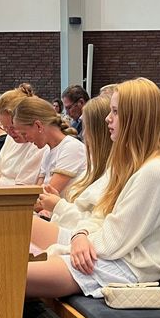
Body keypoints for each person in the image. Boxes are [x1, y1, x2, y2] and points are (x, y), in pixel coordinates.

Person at [26, 77, 160, 299]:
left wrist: (78, 238)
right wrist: (80, 234)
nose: (108, 119)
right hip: (104, 252)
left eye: (116, 112)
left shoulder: (156, 171)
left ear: (135, 117)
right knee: (7, 256)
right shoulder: (130, 162)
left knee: (7, 276)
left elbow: (115, 239)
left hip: (127, 268)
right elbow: (101, 213)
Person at [32, 97, 113, 241]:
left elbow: (98, 225)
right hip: (72, 231)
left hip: (80, 237)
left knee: (20, 227)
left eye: (86, 127)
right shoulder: (96, 166)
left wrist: (58, 205)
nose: (82, 134)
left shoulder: (73, 149)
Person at [13, 96, 87, 195]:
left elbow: (46, 196)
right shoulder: (47, 151)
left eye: (24, 133)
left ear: (38, 126)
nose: (25, 139)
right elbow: (38, 193)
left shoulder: (71, 148)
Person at [0, 84, 46, 186]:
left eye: (13, 127)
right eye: (5, 127)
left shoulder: (38, 145)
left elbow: (20, 191)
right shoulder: (9, 139)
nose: (9, 133)